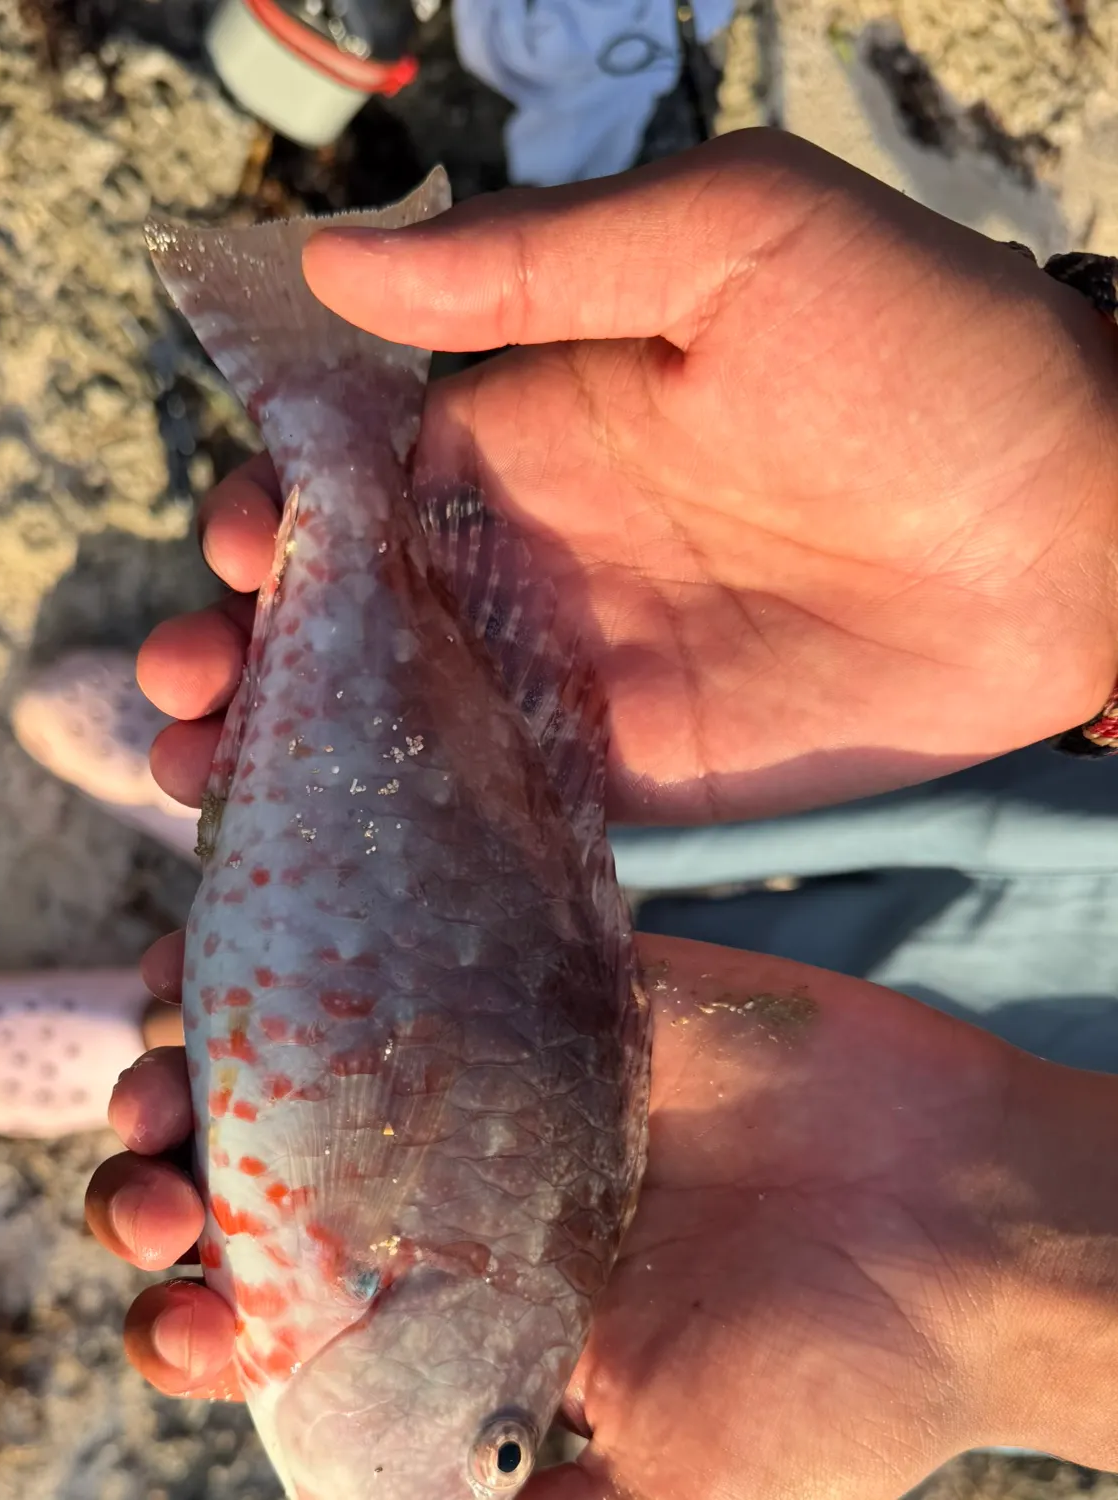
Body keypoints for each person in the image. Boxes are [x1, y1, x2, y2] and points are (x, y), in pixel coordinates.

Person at [84, 129, 1118, 1499]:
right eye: (499, 1451)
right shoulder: (376, 1282)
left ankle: (224, 743)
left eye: (515, 1445)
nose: (496, 1475)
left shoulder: (495, 1282)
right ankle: (318, 520)